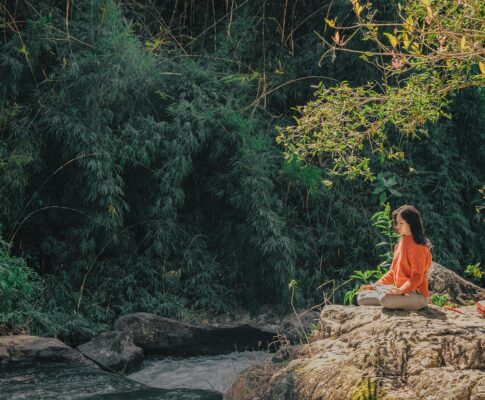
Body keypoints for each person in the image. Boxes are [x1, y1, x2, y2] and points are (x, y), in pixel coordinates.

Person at [357, 205, 433, 311]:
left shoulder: (418, 246)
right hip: (399, 292)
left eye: (401, 223)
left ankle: (395, 300)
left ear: (411, 224)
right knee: (362, 297)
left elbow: (416, 276)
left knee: (385, 299)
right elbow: (392, 273)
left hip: (417, 295)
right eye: (397, 223)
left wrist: (401, 290)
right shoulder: (400, 244)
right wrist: (375, 286)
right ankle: (392, 299)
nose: (397, 226)